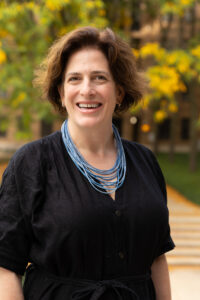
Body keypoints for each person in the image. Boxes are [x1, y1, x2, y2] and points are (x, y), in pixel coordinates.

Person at [0, 26, 175, 300]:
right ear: (60, 92)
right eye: (74, 79)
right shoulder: (31, 163)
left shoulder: (145, 162)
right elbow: (5, 268)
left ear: (118, 91)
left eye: (99, 78)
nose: (87, 89)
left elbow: (156, 259)